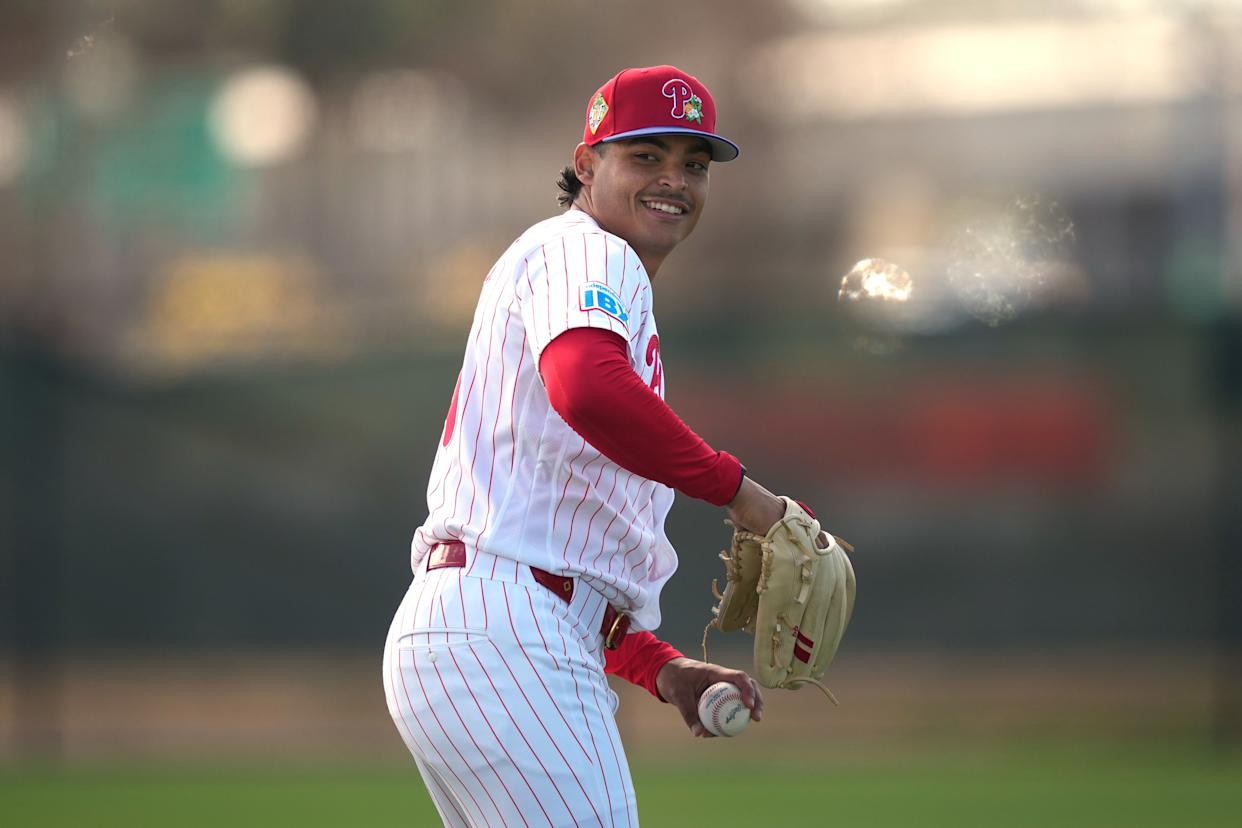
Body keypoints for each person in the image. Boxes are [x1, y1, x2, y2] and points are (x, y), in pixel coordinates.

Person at [382, 64, 789, 827]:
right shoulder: (588, 251)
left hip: (493, 623)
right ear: (586, 164)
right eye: (646, 156)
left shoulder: (584, 265)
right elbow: (587, 387)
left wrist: (660, 667)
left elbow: (562, 555)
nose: (674, 179)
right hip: (503, 630)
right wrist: (741, 494)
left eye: (693, 165)